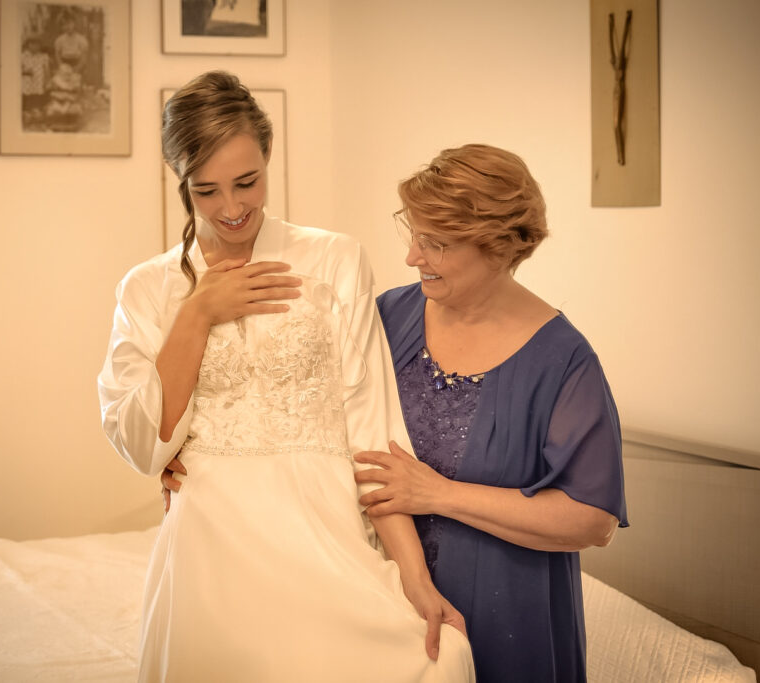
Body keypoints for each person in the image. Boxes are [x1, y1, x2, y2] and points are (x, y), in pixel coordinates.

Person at [97, 71, 474, 682]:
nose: (231, 209)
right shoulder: (147, 289)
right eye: (206, 191)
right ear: (180, 181)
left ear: (268, 156)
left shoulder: (335, 259)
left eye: (247, 182)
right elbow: (145, 446)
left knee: (436, 659)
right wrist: (196, 314)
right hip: (208, 552)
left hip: (323, 532)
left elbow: (371, 433)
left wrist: (415, 576)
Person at [355, 144, 628, 682]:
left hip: (508, 617)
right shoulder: (389, 316)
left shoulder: (563, 360)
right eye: (414, 235)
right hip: (384, 599)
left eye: (435, 243)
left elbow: (593, 520)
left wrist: (439, 494)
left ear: (498, 247)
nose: (412, 257)